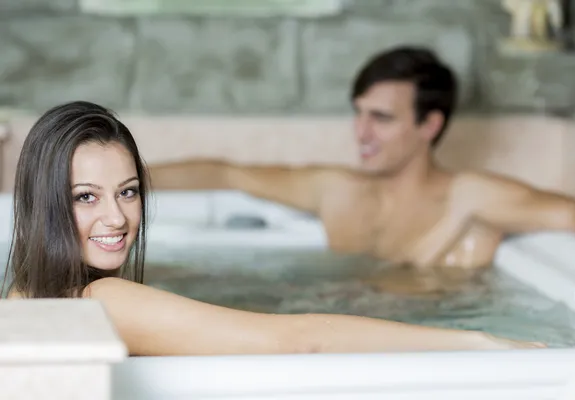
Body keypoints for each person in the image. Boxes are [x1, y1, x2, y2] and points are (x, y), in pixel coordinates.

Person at [1, 101, 543, 356]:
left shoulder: (23, 296)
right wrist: (479, 340)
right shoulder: (104, 299)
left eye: (127, 191)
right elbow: (297, 340)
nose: (117, 218)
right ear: (43, 202)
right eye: (85, 198)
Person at [147, 46, 575, 272]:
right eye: (359, 113)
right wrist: (120, 181)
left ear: (430, 126)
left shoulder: (469, 196)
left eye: (381, 118)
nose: (360, 132)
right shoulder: (338, 190)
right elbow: (226, 173)